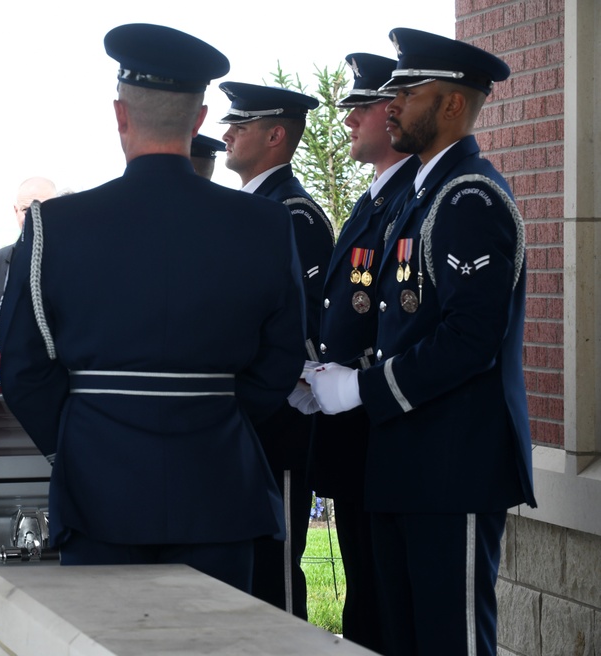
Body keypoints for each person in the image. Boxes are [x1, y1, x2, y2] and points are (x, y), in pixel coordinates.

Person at [0, 22, 306, 593]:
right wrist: (214, 419)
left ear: (120, 115)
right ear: (199, 119)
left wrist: (78, 444)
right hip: (218, 487)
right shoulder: (264, 224)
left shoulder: (55, 226)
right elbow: (281, 359)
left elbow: (23, 366)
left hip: (98, 494)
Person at [306, 28, 537, 656]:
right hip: (405, 464)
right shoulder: (420, 196)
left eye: (408, 92)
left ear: (453, 105)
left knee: (448, 642)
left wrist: (360, 388)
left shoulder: (468, 196)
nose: (392, 105)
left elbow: (471, 339)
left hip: (452, 468)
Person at [308, 52, 418, 653]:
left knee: (383, 603)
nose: (349, 120)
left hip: (380, 425)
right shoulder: (378, 198)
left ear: (393, 111)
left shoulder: (409, 199)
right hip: (355, 431)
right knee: (366, 600)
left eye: (361, 107)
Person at [219, 80, 335, 618]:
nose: (225, 135)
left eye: (239, 127)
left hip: (280, 420)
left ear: (275, 135)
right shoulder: (253, 206)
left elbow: (302, 327)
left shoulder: (293, 213)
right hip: (246, 420)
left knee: (276, 576)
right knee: (247, 574)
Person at [0, 176, 56, 298]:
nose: (35, 217)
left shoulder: (81, 264)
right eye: (27, 210)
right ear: (16, 211)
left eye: (44, 209)